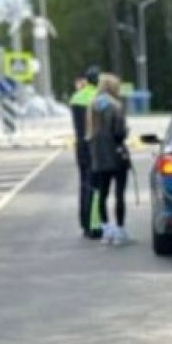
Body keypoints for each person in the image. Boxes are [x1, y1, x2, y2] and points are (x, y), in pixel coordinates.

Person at [86, 73, 132, 246]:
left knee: (102, 194)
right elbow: (119, 133)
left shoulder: (93, 106)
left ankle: (106, 230)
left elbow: (90, 132)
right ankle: (120, 230)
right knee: (119, 194)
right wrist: (126, 131)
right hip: (116, 155)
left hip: (98, 156)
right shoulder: (115, 106)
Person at [70, 66, 102, 239]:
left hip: (80, 146)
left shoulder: (76, 97)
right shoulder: (98, 98)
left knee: (83, 184)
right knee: (95, 186)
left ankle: (83, 222)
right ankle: (94, 225)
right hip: (94, 147)